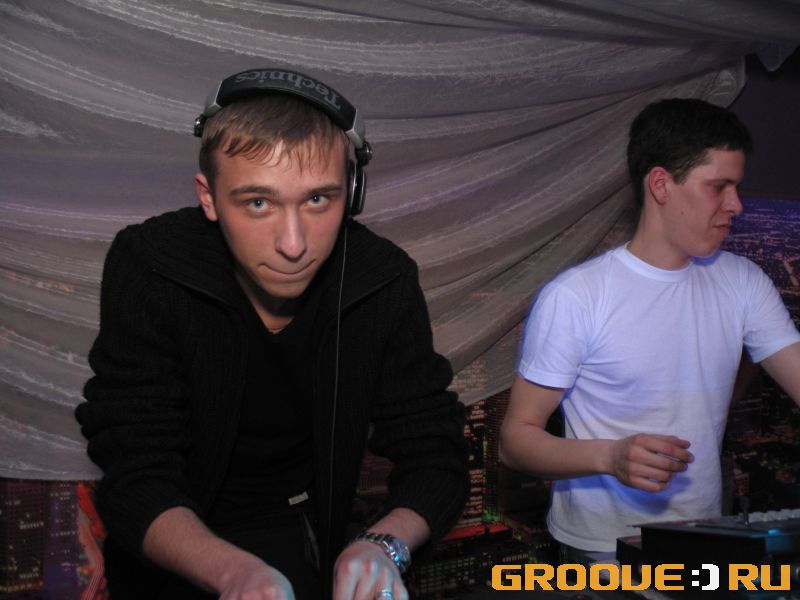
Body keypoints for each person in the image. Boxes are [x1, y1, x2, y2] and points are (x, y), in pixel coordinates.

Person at [75, 68, 468, 600]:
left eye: (318, 200)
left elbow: (436, 456)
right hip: (170, 543)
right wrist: (234, 574)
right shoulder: (151, 267)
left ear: (352, 194)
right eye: (258, 203)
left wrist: (383, 546)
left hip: (306, 539)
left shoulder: (381, 279)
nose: (293, 244)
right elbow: (134, 469)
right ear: (209, 198)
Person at [499, 98, 800, 557]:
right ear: (661, 184)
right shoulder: (577, 296)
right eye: (718, 186)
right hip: (601, 549)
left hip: (704, 536)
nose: (736, 204)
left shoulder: (743, 282)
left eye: (737, 187)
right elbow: (515, 441)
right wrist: (609, 456)